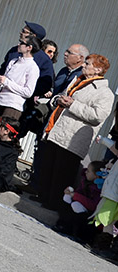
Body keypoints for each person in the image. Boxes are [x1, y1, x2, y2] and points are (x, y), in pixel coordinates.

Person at [35, 53, 113, 210]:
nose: (83, 66)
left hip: (73, 139)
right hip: (57, 132)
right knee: (48, 167)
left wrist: (73, 105)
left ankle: (55, 204)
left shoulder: (105, 93)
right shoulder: (78, 81)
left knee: (62, 173)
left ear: (98, 69)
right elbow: (63, 95)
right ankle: (43, 196)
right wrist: (58, 99)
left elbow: (97, 116)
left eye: (88, 64)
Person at [0, 34, 41, 142]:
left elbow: (28, 92)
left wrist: (7, 82)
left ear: (29, 47)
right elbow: (6, 81)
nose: (19, 44)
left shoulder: (33, 68)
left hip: (13, 105)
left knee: (2, 135)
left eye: (22, 43)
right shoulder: (13, 61)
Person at [56, 160, 106, 242]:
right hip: (79, 207)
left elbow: (93, 206)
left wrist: (75, 196)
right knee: (67, 201)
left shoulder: (99, 190)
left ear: (96, 176)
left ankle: (78, 233)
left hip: (89, 215)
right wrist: (70, 193)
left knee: (76, 206)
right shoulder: (85, 182)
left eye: (89, 171)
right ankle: (63, 225)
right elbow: (78, 193)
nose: (86, 172)